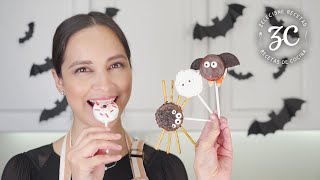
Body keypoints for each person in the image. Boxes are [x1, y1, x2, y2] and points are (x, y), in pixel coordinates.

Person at [1, 12, 233, 180]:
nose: (104, 84)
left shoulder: (166, 169)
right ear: (58, 80)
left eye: (116, 65)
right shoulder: (25, 171)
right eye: (83, 69)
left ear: (131, 70)